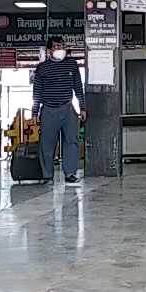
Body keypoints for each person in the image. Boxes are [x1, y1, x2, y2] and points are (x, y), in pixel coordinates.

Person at [32, 37, 86, 184]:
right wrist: (35, 113)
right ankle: (47, 175)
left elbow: (78, 87)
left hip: (68, 108)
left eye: (61, 46)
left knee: (71, 141)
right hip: (48, 109)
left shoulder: (72, 64)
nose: (60, 49)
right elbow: (37, 92)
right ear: (49, 51)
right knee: (47, 145)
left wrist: (82, 108)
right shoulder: (42, 68)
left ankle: (70, 173)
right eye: (56, 46)